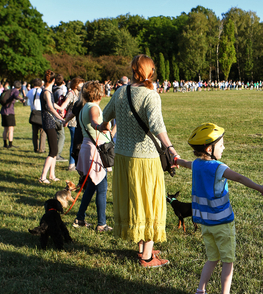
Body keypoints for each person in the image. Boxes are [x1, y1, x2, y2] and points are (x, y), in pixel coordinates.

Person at [101, 54, 182, 268]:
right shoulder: (150, 95)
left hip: (123, 158)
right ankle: (147, 257)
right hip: (145, 159)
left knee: (135, 201)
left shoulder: (120, 91)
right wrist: (171, 148)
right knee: (150, 203)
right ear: (149, 71)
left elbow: (105, 116)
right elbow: (157, 126)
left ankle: (142, 248)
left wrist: (103, 127)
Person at [176, 123, 263, 294]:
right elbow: (240, 178)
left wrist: (177, 161)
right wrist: (260, 188)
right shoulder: (218, 167)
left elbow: (187, 164)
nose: (224, 147)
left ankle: (200, 293)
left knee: (212, 258)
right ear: (209, 149)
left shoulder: (197, 165)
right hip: (223, 223)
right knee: (228, 260)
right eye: (221, 145)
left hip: (206, 224)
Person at [74, 81, 114, 232]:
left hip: (89, 148)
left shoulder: (84, 107)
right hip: (95, 151)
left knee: (91, 186)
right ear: (100, 93)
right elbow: (94, 122)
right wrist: (101, 126)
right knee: (102, 187)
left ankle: (79, 218)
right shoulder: (93, 107)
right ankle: (102, 224)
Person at [39, 70, 66, 184]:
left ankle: (52, 175)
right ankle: (43, 177)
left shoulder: (47, 91)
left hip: (49, 121)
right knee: (53, 151)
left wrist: (60, 108)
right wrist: (60, 118)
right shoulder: (46, 92)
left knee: (53, 150)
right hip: (49, 122)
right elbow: (50, 107)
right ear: (53, 80)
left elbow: (52, 104)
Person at [63, 77, 85, 171]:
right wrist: (65, 120)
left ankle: (76, 163)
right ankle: (71, 164)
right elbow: (65, 105)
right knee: (74, 143)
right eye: (81, 83)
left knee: (78, 144)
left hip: (77, 121)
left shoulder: (80, 94)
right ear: (76, 85)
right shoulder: (71, 93)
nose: (82, 85)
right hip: (73, 122)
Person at [0, 80, 23, 148]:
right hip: (9, 111)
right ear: (20, 87)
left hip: (3, 111)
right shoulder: (16, 91)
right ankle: (10, 144)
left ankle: (5, 144)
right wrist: (21, 99)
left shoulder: (9, 90)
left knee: (5, 129)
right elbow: (16, 96)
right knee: (11, 129)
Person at [26, 79, 46, 153]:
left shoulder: (30, 91)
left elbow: (26, 98)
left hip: (33, 112)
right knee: (42, 132)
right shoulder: (41, 91)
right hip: (41, 112)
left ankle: (36, 148)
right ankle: (41, 148)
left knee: (34, 133)